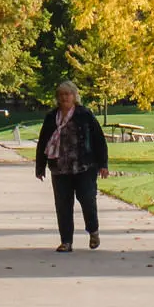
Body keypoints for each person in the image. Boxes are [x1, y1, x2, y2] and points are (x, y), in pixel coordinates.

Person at [33, 81, 110, 252]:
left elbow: (99, 140)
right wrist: (40, 167)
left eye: (67, 94)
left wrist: (103, 164)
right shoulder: (52, 117)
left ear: (75, 96)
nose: (64, 98)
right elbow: (43, 142)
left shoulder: (84, 114)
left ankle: (93, 230)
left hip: (84, 167)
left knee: (88, 200)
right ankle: (66, 241)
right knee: (63, 206)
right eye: (61, 95)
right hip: (60, 168)